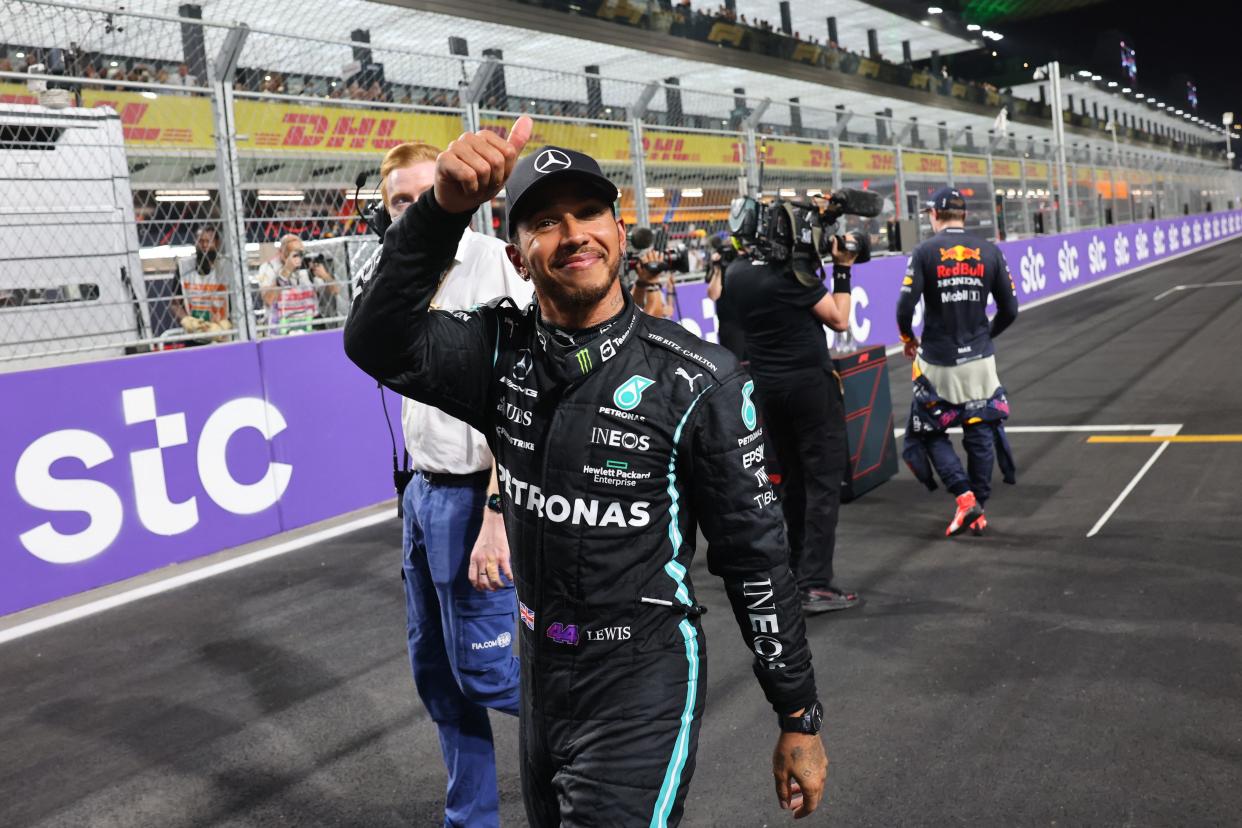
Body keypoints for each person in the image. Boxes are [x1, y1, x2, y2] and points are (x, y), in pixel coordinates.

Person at [345, 117, 828, 826]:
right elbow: (376, 341)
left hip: (641, 680)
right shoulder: (499, 350)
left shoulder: (699, 379)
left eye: (589, 212)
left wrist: (798, 711)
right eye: (544, 220)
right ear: (517, 251)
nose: (573, 233)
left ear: (619, 229)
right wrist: (440, 210)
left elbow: (756, 559)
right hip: (540, 672)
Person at [356, 141, 531, 828]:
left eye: (427, 193)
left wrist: (497, 513)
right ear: (386, 207)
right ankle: (471, 821)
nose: (416, 209)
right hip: (423, 495)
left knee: (487, 673)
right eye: (402, 199)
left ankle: (612, 722)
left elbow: (524, 398)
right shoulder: (395, 273)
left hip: (476, 494)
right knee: (437, 678)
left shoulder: (494, 263)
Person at [721, 217, 862, 614]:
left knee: (794, 484)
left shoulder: (736, 273)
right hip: (810, 389)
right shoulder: (793, 275)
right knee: (822, 483)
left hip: (768, 388)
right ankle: (815, 583)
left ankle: (797, 571)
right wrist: (844, 269)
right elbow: (839, 318)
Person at [896, 186, 1019, 536]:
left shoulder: (925, 251)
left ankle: (964, 497)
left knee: (927, 431)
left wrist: (908, 339)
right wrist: (986, 336)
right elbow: (1010, 310)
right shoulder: (990, 251)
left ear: (934, 215)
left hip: (938, 361)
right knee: (980, 428)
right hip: (980, 359)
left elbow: (904, 308)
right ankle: (978, 507)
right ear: (963, 215)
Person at [255, 234, 338, 335]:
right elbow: (268, 299)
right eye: (293, 253)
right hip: (282, 328)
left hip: (310, 325)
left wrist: (325, 276)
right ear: (281, 253)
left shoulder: (307, 266)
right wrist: (286, 271)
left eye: (300, 253)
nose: (298, 257)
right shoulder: (268, 267)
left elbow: (336, 291)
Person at [170, 226, 234, 342]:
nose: (204, 246)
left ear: (216, 243)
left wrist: (226, 323)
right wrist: (187, 321)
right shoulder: (184, 268)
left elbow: (237, 302)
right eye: (200, 241)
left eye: (208, 241)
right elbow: (175, 304)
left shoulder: (227, 268)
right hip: (194, 336)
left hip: (222, 334)